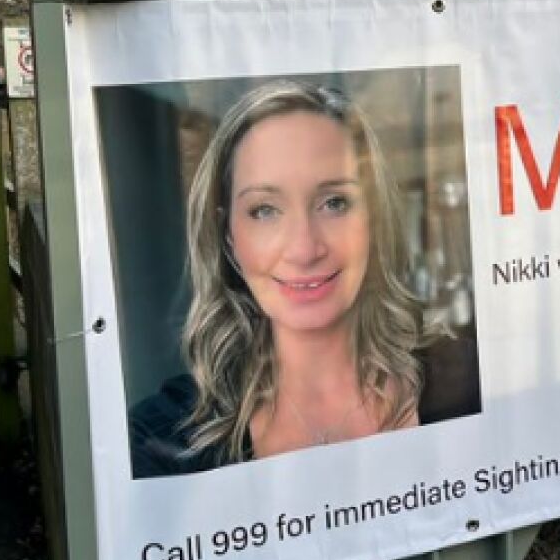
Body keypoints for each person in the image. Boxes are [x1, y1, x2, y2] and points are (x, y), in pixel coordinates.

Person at [130, 80, 479, 478]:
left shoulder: (471, 382)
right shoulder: (157, 442)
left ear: (375, 219)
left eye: (334, 203)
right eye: (265, 210)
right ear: (229, 238)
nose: (304, 249)